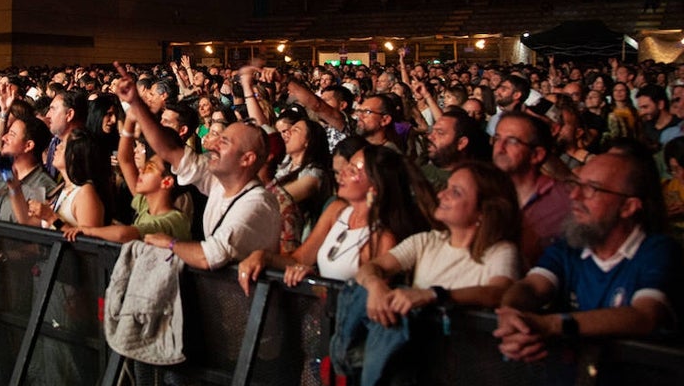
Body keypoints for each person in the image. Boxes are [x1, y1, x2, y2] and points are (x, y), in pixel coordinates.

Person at [494, 144, 684, 361]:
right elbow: (531, 286)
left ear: (628, 207)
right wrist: (511, 313)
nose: (575, 195)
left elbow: (644, 315)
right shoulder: (569, 247)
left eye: (592, 189)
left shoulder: (658, 251)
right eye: (576, 184)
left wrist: (552, 324)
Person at [113, 62, 278, 270]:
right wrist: (136, 103)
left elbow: (208, 256)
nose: (213, 143)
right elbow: (170, 151)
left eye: (224, 142)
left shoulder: (256, 203)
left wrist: (171, 243)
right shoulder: (219, 183)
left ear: (247, 159)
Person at [239, 142, 426, 292]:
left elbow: (362, 302)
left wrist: (314, 280)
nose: (341, 173)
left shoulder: (383, 239)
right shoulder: (337, 210)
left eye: (352, 170)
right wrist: (263, 257)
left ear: (374, 187)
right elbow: (300, 259)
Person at [356, 160, 522, 326]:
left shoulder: (501, 251)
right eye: (446, 187)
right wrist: (375, 285)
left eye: (456, 192)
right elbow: (369, 268)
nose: (441, 195)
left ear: (483, 212)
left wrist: (434, 295)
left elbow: (498, 293)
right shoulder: (425, 241)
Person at [62, 113, 190, 243]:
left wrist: (88, 230)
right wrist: (130, 118)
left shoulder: (174, 220)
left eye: (149, 168)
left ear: (167, 181)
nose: (141, 171)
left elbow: (124, 234)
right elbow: (126, 160)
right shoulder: (145, 205)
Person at [492, 111, 570, 267]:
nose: (500, 148)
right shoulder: (484, 193)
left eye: (512, 141)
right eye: (497, 138)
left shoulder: (566, 201)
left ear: (537, 155)